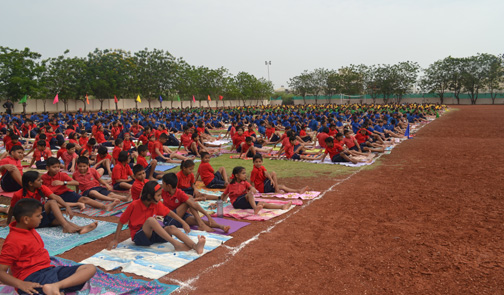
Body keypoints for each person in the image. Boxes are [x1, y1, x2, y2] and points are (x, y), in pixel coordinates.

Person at [0, 199, 97, 295]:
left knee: (89, 268)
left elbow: (14, 263)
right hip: (32, 277)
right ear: (26, 219)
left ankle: (57, 286)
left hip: (50, 270)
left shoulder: (31, 230)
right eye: (38, 215)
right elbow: (1, 271)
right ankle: (56, 289)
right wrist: (21, 284)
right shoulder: (13, 240)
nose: (42, 217)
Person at [108, 181, 206, 254]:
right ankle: (176, 244)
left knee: (171, 227)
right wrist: (116, 239)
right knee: (151, 220)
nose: (161, 198)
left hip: (152, 234)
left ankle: (195, 246)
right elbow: (121, 221)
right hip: (139, 237)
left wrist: (183, 223)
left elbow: (170, 213)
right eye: (158, 195)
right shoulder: (134, 205)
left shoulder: (155, 204)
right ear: (150, 196)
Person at [5, 171, 98, 234]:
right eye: (39, 180)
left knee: (61, 219)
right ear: (30, 183)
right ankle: (68, 227)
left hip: (41, 217)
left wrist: (67, 206)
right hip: (31, 220)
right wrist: (8, 222)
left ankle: (80, 229)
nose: (41, 181)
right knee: (52, 203)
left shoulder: (41, 188)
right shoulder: (19, 194)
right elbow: (12, 209)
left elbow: (55, 197)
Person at [42, 157, 119, 211]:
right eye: (54, 167)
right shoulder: (43, 178)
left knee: (84, 199)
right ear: (47, 168)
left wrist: (63, 183)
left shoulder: (62, 175)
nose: (57, 169)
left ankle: (105, 207)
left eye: (58, 167)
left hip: (66, 193)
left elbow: (76, 182)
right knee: (51, 204)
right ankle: (77, 204)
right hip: (54, 196)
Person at [162, 173, 230, 233]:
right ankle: (201, 225)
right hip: (170, 219)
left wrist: (207, 216)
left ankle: (221, 227)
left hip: (181, 216)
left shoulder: (179, 193)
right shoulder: (162, 191)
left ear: (169, 186)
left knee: (198, 220)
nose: (162, 185)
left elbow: (194, 204)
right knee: (188, 202)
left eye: (163, 183)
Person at [221, 166, 291, 215]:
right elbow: (224, 195)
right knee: (249, 195)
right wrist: (220, 201)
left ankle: (282, 206)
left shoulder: (245, 182)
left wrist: (252, 189)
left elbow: (252, 188)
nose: (245, 175)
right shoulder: (230, 185)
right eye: (243, 173)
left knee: (262, 203)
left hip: (245, 201)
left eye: (245, 173)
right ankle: (255, 209)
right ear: (236, 175)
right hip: (236, 203)